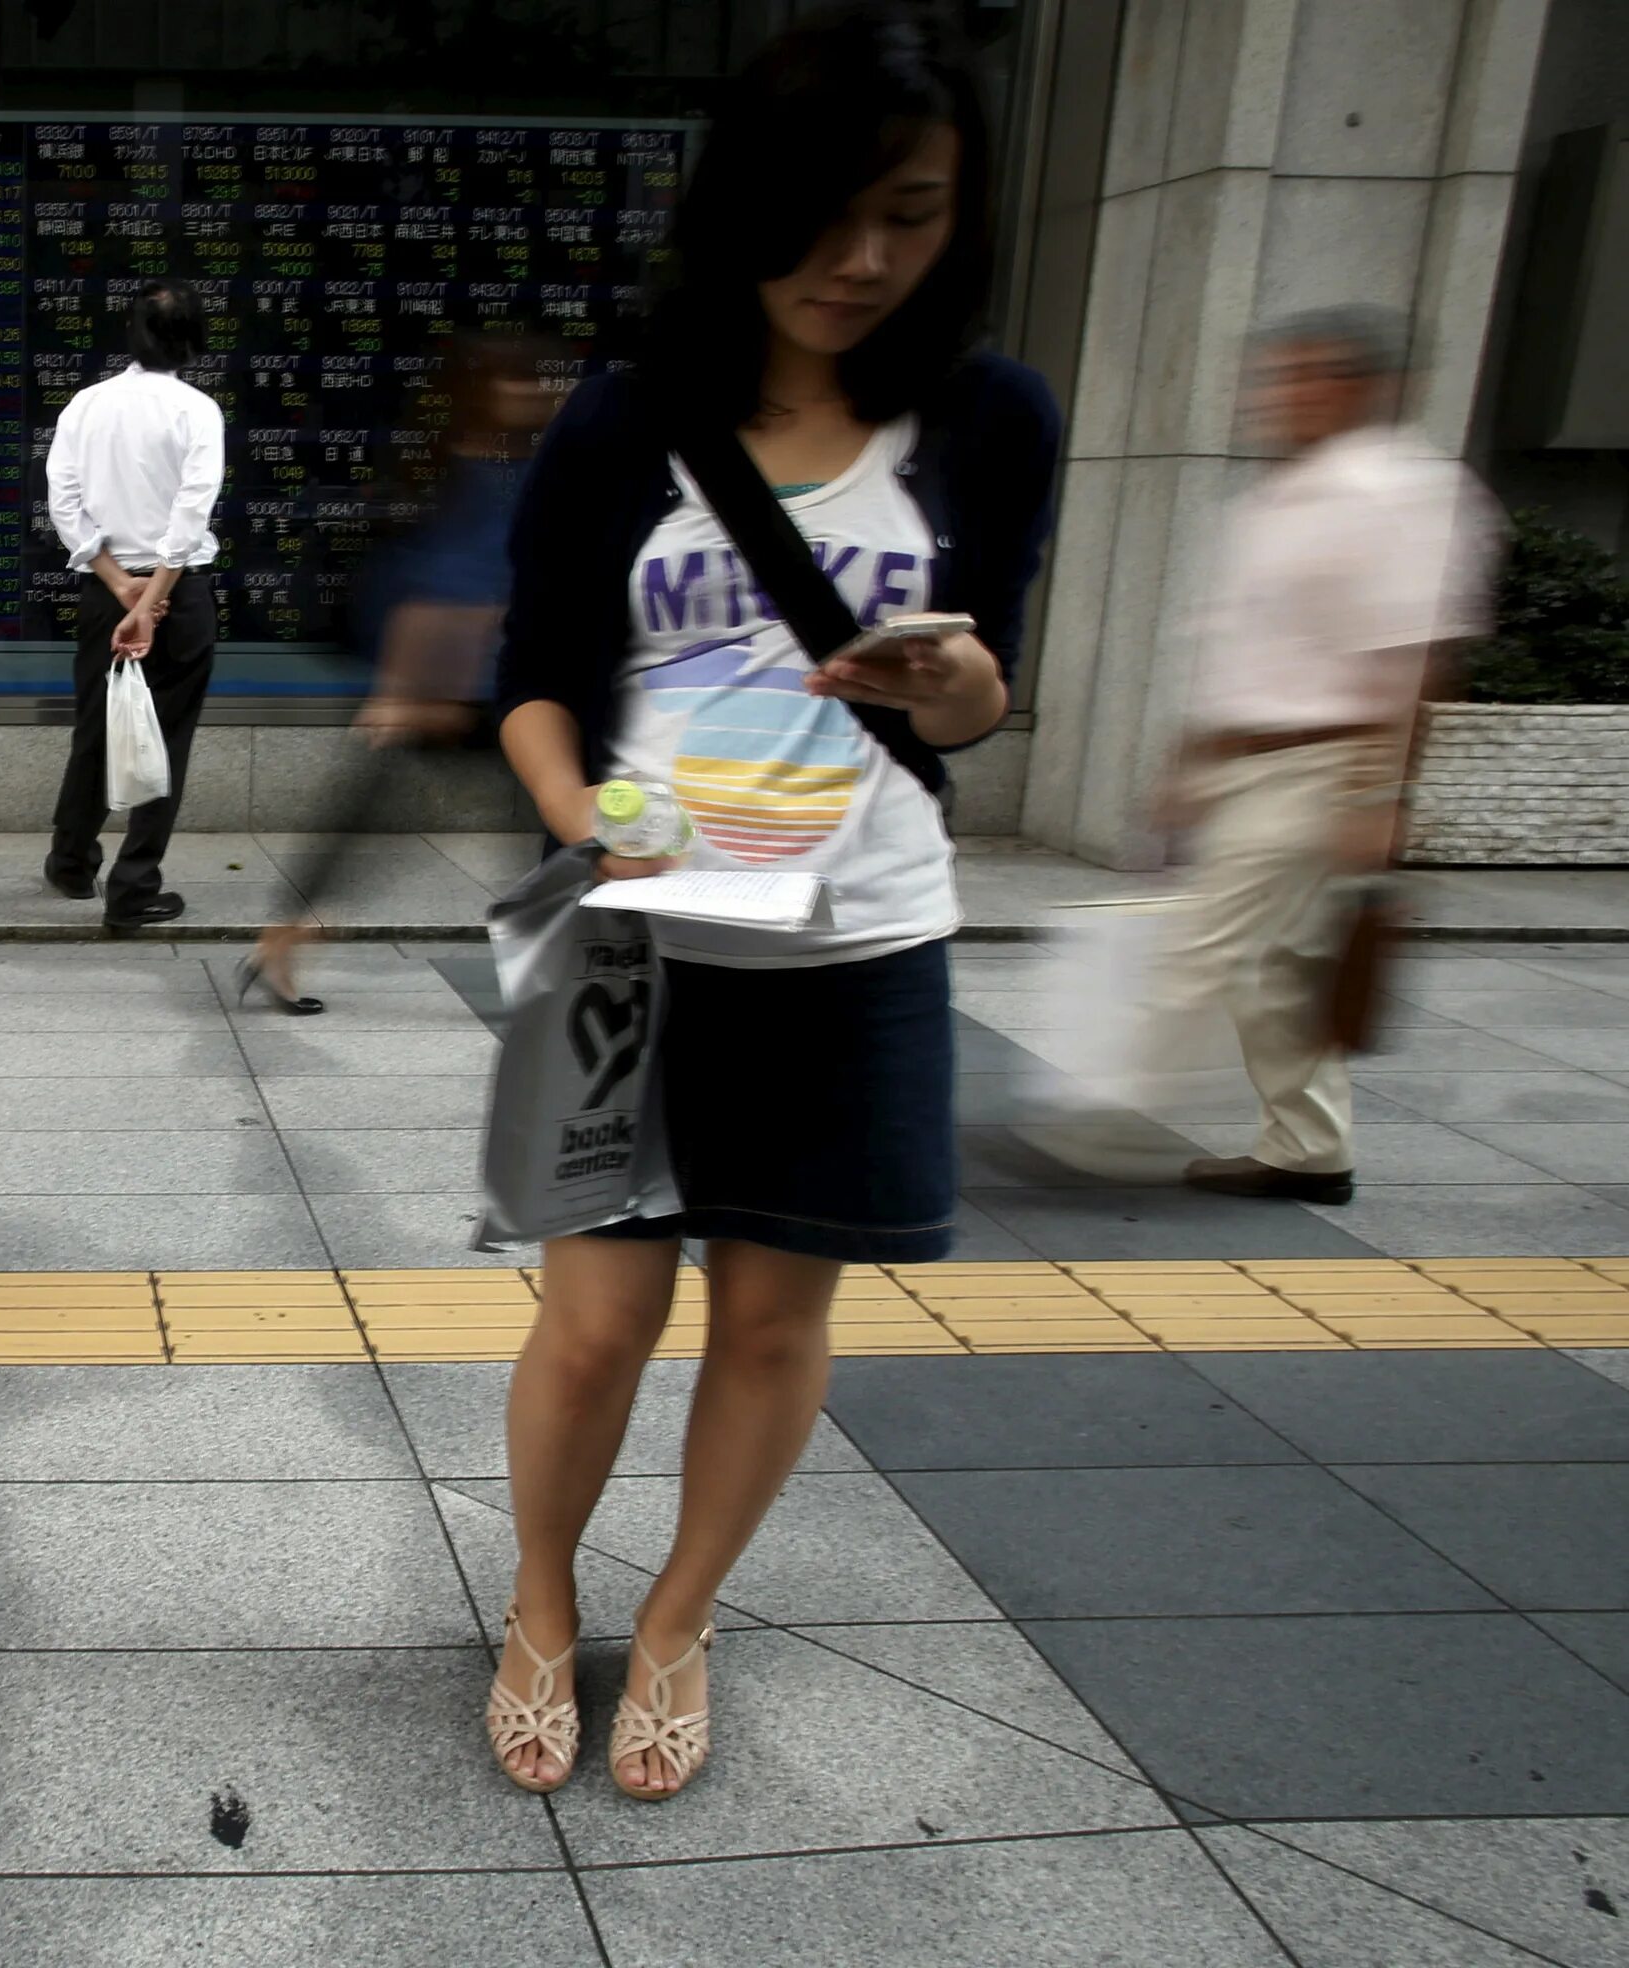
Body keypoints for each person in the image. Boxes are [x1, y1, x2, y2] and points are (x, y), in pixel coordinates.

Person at [479, 1, 1060, 1800]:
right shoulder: (628, 415)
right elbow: (534, 677)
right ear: (745, 201)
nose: (863, 255)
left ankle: (677, 1615)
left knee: (774, 1316)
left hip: (861, 930)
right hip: (641, 932)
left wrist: (950, 686)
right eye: (827, 209)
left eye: (913, 209)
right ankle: (537, 1593)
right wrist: (586, 815)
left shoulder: (989, 417)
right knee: (592, 1317)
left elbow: (983, 697)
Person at [1144, 310, 1501, 1204]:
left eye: (1307, 377)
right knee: (1272, 967)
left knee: (1213, 948)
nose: (1282, 397)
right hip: (1251, 760)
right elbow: (1239, 647)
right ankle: (1309, 1150)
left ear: (1361, 386)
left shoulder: (1398, 492)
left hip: (1322, 765)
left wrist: (1381, 795)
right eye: (1277, 378)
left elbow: (1417, 656)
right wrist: (1194, 759)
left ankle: (1094, 1109)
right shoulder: (1276, 497)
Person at [239, 333, 561, 1014]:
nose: (535, 396)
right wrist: (400, 687)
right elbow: (435, 575)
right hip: (469, 682)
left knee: (529, 824)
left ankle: (284, 940)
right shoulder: (471, 469)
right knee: (392, 818)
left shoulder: (509, 463)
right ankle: (286, 938)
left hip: (494, 676)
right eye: (520, 382)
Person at [41, 278, 226, 930]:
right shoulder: (197, 411)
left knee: (95, 725)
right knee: (165, 740)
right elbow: (190, 511)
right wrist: (151, 602)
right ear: (193, 337)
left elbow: (63, 501)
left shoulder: (85, 406)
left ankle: (70, 862)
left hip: (105, 591)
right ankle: (134, 886)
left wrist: (119, 585)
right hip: (178, 597)